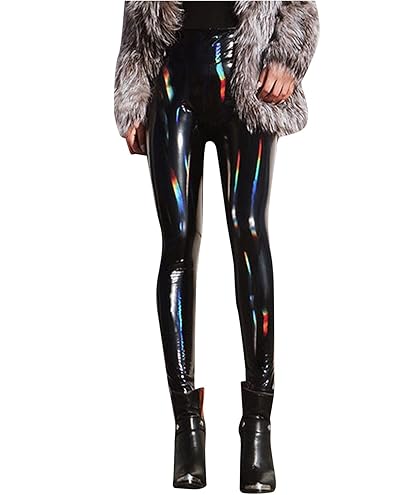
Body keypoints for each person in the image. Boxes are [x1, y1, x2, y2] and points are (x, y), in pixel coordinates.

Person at [114, 1, 320, 492]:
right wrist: (132, 92)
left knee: (248, 230)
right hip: (171, 75)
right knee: (177, 241)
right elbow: (137, 12)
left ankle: (258, 426)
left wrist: (287, 56)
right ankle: (187, 424)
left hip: (247, 69)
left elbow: (300, 5)